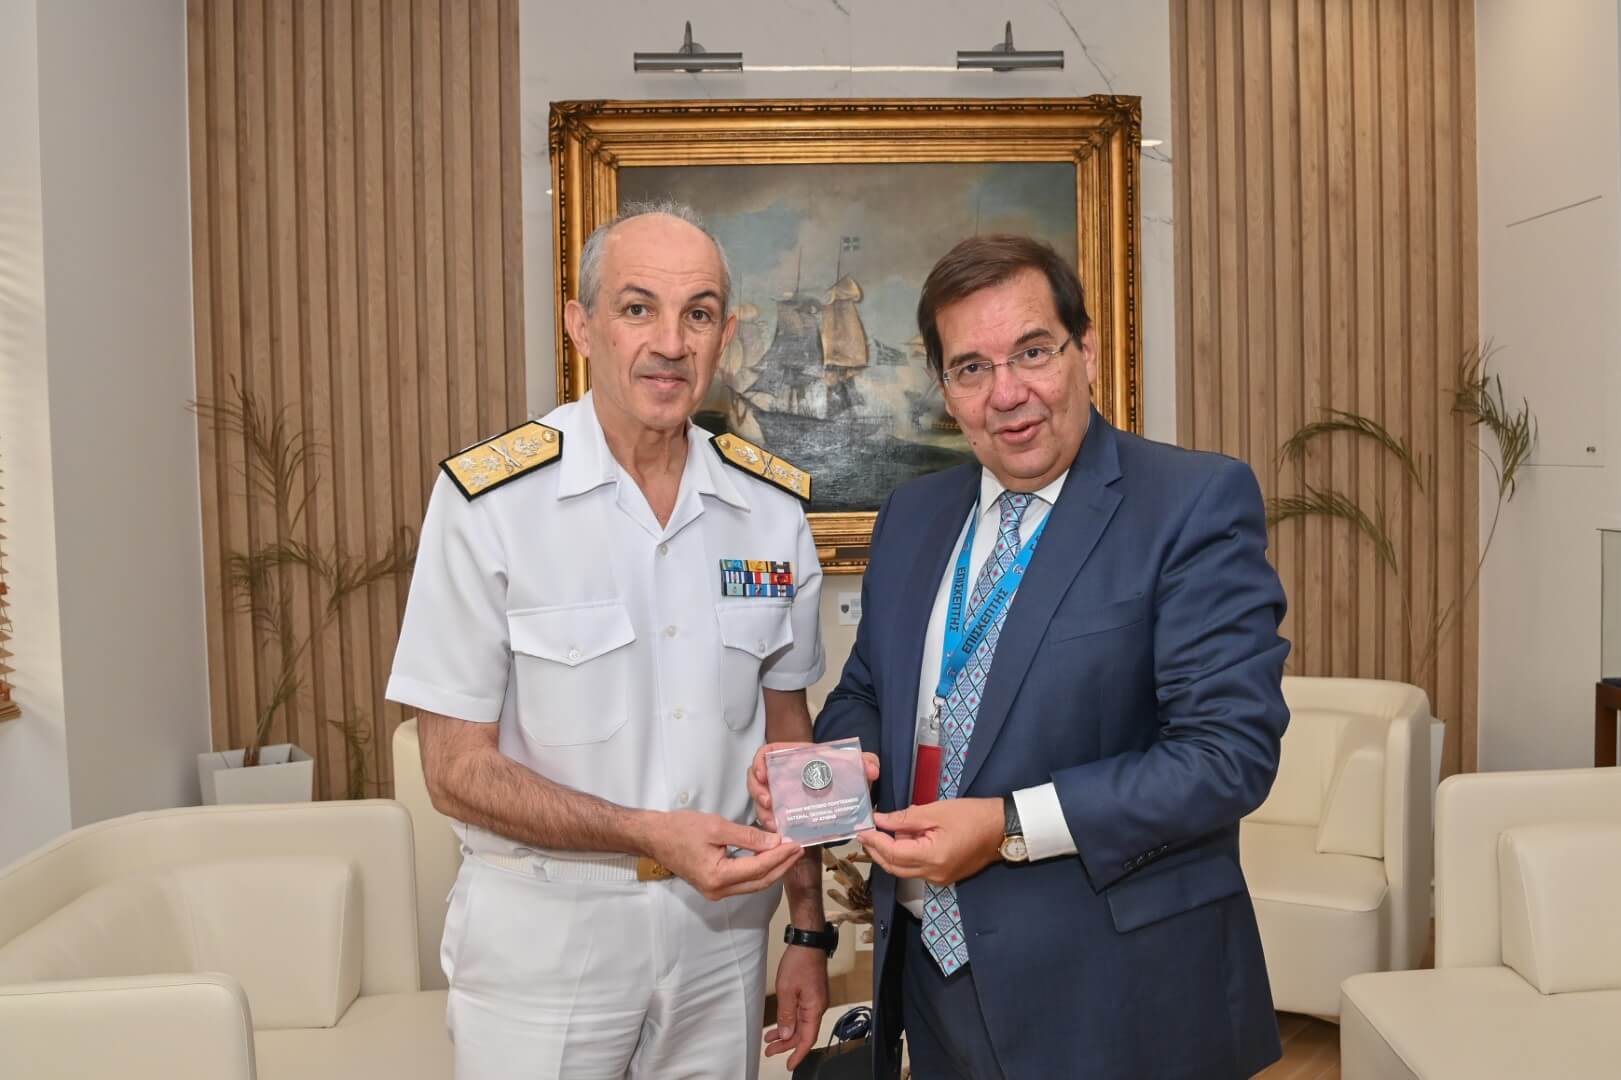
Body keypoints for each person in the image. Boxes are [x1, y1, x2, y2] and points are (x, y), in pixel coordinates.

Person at [752, 234, 1290, 1078]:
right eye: (971, 367)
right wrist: (832, 774)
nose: (1007, 393)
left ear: (1086, 352)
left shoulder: (1190, 503)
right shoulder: (914, 516)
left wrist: (1005, 825)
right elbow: (868, 693)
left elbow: (1226, 757)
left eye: (1032, 352)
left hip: (1116, 993)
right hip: (928, 978)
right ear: (944, 389)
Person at [387, 200, 836, 1079]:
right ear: (581, 325)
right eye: (638, 308)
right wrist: (646, 834)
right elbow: (453, 770)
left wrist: (808, 931)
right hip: (546, 936)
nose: (669, 342)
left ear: (725, 336)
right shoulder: (493, 503)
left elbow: (789, 738)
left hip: (720, 941)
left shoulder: (770, 510)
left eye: (697, 314)